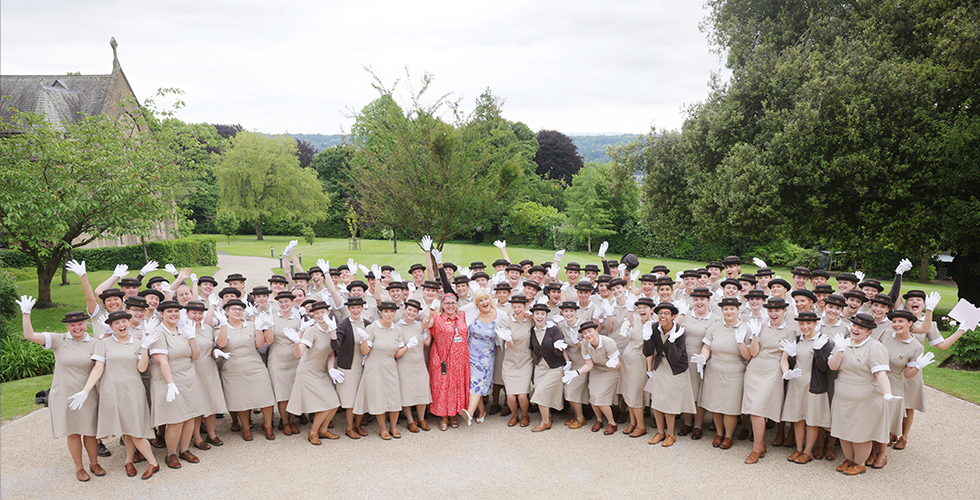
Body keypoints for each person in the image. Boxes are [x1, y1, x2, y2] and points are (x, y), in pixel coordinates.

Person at [17, 297, 103, 482]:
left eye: (80, 323)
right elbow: (29, 335)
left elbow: (99, 368)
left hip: (88, 394)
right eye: (73, 325)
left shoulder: (95, 343)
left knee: (90, 432)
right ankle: (79, 468)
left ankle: (94, 463)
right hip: (65, 394)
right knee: (73, 432)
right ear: (67, 327)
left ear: (86, 324)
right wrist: (26, 313)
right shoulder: (58, 340)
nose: (77, 327)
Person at [73, 310, 161, 480]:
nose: (121, 326)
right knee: (126, 429)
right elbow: (98, 369)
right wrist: (85, 391)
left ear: (129, 322)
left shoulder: (139, 342)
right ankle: (128, 461)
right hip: (112, 391)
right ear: (111, 326)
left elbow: (142, 368)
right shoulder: (104, 344)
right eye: (117, 323)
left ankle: (153, 463)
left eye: (124, 322)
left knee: (135, 429)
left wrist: (144, 347)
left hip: (134, 391)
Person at [828, 313, 901, 475]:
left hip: (865, 399)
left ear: (869, 331)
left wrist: (887, 393)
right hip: (842, 397)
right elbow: (833, 366)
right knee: (843, 430)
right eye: (854, 326)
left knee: (861, 433)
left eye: (860, 328)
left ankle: (859, 463)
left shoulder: (875, 347)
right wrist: (839, 350)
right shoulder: (843, 343)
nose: (855, 330)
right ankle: (849, 459)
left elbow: (881, 373)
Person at [147, 300, 206, 469]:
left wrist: (192, 337)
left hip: (189, 378)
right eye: (169, 311)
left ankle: (185, 450)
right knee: (175, 421)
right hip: (169, 381)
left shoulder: (182, 330)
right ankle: (171, 454)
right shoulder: (159, 333)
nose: (173, 314)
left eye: (176, 311)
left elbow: (195, 356)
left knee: (189, 417)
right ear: (161, 314)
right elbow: (162, 361)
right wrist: (171, 384)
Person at [868, 309, 929, 469]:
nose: (896, 325)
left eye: (901, 321)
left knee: (885, 422)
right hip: (874, 381)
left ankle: (881, 455)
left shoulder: (916, 346)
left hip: (894, 383)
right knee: (872, 419)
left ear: (910, 323)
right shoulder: (886, 333)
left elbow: (908, 374)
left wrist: (917, 366)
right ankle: (871, 452)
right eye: (894, 321)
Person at [741, 297, 797, 463]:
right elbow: (753, 353)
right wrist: (755, 335)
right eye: (771, 311)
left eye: (777, 311)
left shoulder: (789, 331)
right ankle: (761, 445)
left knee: (758, 409)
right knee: (754, 409)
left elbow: (784, 359)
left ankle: (757, 448)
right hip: (755, 368)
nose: (773, 314)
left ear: (784, 311)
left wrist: (786, 372)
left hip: (773, 370)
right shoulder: (762, 326)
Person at [421, 247, 470, 430]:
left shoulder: (463, 316)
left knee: (456, 386)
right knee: (442, 387)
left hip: (460, 358)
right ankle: (443, 416)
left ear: (456, 304)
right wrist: (430, 313)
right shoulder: (436, 317)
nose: (450, 305)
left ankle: (454, 415)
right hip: (441, 358)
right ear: (442, 305)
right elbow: (425, 325)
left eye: (452, 303)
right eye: (447, 303)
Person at [215, 299, 277, 441]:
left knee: (265, 397)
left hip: (254, 365)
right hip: (233, 368)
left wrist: (259, 328)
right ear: (226, 312)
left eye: (240, 309)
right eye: (234, 309)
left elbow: (260, 345)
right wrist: (224, 324)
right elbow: (222, 343)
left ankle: (268, 426)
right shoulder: (220, 327)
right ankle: (246, 428)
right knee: (240, 399)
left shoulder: (251, 325)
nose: (237, 311)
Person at [695, 297, 751, 450]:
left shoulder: (745, 328)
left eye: (732, 309)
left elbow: (748, 356)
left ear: (738, 310)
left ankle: (728, 436)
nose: (729, 312)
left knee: (730, 407)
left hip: (735, 373)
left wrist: (741, 343)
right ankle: (719, 433)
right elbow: (707, 346)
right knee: (716, 404)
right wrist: (703, 357)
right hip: (714, 371)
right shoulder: (715, 327)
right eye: (726, 309)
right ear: (722, 311)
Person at [286, 301, 343, 445]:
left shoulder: (331, 330)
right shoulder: (311, 330)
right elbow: (299, 354)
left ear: (328, 312)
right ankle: (313, 433)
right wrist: (297, 341)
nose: (319, 315)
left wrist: (331, 369)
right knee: (325, 406)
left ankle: (323, 430)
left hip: (321, 371)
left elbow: (331, 353)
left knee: (334, 403)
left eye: (322, 312)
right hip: (308, 372)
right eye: (316, 313)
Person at [780, 311, 832, 464]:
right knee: (798, 418)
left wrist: (817, 351)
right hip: (797, 384)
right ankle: (798, 448)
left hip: (813, 386)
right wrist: (787, 370)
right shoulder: (796, 340)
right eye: (802, 324)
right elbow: (787, 360)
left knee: (811, 420)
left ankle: (808, 451)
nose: (805, 327)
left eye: (808, 323)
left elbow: (824, 368)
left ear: (815, 323)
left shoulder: (822, 341)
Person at [642, 302, 694, 447]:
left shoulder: (679, 330)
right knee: (657, 401)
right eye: (660, 313)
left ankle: (671, 433)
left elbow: (675, 358)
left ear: (673, 316)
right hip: (660, 366)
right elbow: (647, 352)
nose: (662, 316)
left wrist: (671, 341)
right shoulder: (653, 328)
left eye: (666, 313)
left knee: (669, 403)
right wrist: (646, 340)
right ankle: (660, 432)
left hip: (675, 368)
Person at [353, 301, 405, 439]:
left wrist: (408, 347)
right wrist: (364, 339)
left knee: (394, 398)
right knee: (379, 398)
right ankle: (383, 429)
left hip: (390, 366)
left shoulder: (397, 329)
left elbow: (397, 353)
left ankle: (393, 427)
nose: (389, 314)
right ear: (381, 312)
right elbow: (365, 351)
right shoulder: (372, 328)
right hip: (374, 367)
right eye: (386, 311)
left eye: (392, 311)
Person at [185, 300, 226, 450]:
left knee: (211, 401)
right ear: (187, 313)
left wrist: (216, 351)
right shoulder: (183, 330)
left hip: (209, 368)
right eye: (193, 313)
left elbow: (213, 345)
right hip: (193, 370)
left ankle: (211, 434)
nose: (197, 316)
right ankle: (196, 438)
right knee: (197, 405)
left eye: (200, 313)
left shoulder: (207, 329)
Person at [330, 296, 370, 439]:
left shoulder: (367, 324)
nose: (355, 310)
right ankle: (349, 427)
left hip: (363, 365)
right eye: (353, 308)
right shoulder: (344, 324)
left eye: (358, 307)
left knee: (361, 397)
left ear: (362, 308)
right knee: (350, 399)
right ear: (349, 309)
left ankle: (358, 425)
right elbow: (336, 345)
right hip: (348, 366)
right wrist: (333, 335)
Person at [679, 287, 716, 439]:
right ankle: (687, 422)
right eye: (696, 299)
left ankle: (698, 425)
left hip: (703, 360)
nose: (699, 302)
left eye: (702, 299)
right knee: (688, 391)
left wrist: (703, 359)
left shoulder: (715, 319)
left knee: (699, 394)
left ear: (708, 300)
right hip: (685, 359)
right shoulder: (687, 315)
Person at [264, 291, 303, 435]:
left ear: (292, 302)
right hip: (278, 360)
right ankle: (285, 422)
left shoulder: (297, 319)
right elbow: (268, 341)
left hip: (294, 359)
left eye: (287, 301)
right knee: (282, 394)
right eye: (281, 302)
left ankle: (291, 421)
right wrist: (268, 326)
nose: (284, 304)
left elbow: (300, 340)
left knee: (293, 392)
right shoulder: (273, 318)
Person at [526, 303, 568, 432]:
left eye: (542, 314)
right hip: (540, 367)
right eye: (537, 314)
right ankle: (548, 416)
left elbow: (560, 350)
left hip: (555, 367)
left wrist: (563, 355)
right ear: (533, 316)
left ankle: (545, 422)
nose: (540, 316)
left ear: (546, 316)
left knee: (540, 393)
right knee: (537, 390)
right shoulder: (532, 331)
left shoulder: (553, 329)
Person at [495, 295, 533, 427]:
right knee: (511, 396)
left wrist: (531, 315)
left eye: (520, 307)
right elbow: (510, 345)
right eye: (514, 307)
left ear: (525, 307)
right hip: (510, 362)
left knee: (522, 396)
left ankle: (524, 415)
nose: (517, 309)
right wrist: (508, 339)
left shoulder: (530, 320)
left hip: (525, 361)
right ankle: (514, 415)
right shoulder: (506, 321)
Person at [462, 288, 498, 425]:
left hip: (486, 359)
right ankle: (481, 412)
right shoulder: (473, 311)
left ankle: (470, 414)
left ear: (490, 300)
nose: (484, 302)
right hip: (470, 355)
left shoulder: (498, 315)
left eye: (486, 299)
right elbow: (458, 309)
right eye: (480, 300)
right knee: (473, 385)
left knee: (477, 385)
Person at [396, 299, 432, 432]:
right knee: (407, 392)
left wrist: (427, 329)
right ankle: (410, 421)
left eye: (415, 311)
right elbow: (397, 352)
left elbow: (427, 341)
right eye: (410, 310)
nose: (412, 313)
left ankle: (421, 419)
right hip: (405, 364)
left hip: (419, 363)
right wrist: (408, 346)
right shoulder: (398, 327)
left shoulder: (419, 325)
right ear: (404, 310)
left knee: (421, 391)